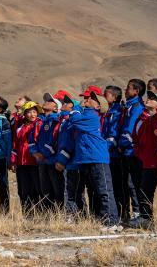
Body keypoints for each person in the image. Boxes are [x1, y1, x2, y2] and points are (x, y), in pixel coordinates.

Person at [65, 86, 120, 227]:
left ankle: (112, 220)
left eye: (93, 98)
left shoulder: (91, 116)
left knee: (104, 190)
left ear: (98, 106)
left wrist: (76, 107)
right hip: (88, 157)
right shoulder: (87, 114)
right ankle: (103, 218)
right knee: (97, 190)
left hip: (97, 157)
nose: (88, 99)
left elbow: (74, 119)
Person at [131, 92, 157, 227]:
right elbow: (137, 139)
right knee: (145, 190)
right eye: (149, 97)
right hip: (146, 162)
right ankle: (146, 218)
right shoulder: (145, 120)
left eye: (153, 99)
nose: (148, 99)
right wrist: (139, 154)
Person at [52, 91, 86, 217]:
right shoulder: (65, 121)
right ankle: (77, 215)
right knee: (70, 190)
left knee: (73, 191)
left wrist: (62, 160)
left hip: (73, 161)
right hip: (68, 161)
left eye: (65, 103)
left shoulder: (72, 121)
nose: (62, 105)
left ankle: (76, 215)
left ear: (71, 106)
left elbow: (69, 143)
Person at [118, 79, 146, 223]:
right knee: (127, 183)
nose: (125, 90)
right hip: (125, 151)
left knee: (134, 183)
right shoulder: (128, 106)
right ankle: (127, 213)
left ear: (136, 91)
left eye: (128, 88)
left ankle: (137, 212)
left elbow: (130, 130)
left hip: (132, 151)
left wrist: (121, 143)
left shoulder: (137, 107)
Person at [102, 85, 129, 221]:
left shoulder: (118, 111)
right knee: (112, 184)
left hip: (116, 154)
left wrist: (104, 148)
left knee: (120, 185)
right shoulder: (109, 111)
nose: (104, 96)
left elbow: (114, 133)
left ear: (115, 97)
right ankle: (115, 213)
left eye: (106, 94)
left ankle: (123, 213)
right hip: (109, 153)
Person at [11, 101, 43, 215]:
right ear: (24, 114)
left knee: (37, 189)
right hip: (22, 163)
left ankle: (40, 214)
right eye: (29, 112)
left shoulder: (40, 125)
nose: (32, 114)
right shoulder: (20, 128)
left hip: (35, 162)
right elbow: (15, 145)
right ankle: (27, 214)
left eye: (34, 112)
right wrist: (13, 161)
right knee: (24, 190)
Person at [36, 94, 65, 208]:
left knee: (57, 189)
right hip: (43, 161)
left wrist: (43, 153)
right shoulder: (44, 121)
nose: (47, 102)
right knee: (45, 190)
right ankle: (49, 214)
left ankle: (60, 213)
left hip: (53, 161)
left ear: (56, 108)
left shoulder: (56, 121)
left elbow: (54, 140)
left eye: (50, 101)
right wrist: (36, 152)